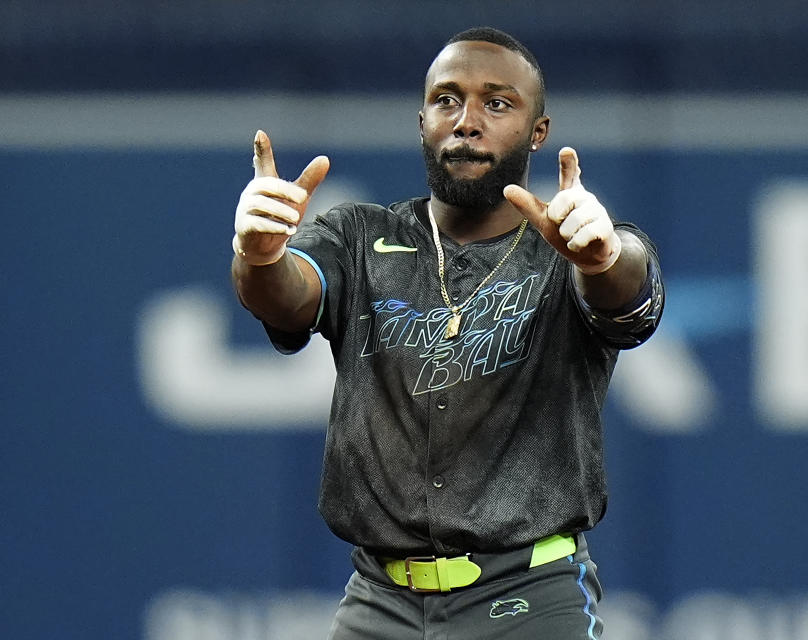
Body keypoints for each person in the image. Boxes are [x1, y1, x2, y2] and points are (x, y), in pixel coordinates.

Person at [231, 26, 664, 640]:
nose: (466, 120)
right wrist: (258, 254)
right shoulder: (358, 236)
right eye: (446, 100)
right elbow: (286, 297)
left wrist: (600, 259)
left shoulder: (568, 245)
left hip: (529, 595)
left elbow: (628, 289)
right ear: (422, 119)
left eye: (497, 103)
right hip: (381, 601)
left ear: (538, 131)